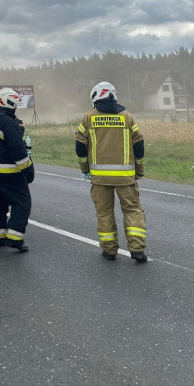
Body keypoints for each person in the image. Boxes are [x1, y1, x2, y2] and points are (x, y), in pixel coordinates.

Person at [76, 81, 147, 263]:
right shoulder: (127, 117)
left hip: (99, 179)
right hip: (126, 178)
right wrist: (139, 170)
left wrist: (86, 170)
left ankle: (109, 251)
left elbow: (80, 147)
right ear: (114, 96)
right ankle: (137, 250)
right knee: (132, 211)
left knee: (104, 213)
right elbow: (139, 146)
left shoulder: (88, 118)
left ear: (95, 98)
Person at [0, 87, 34, 251]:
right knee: (23, 203)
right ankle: (15, 237)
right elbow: (18, 152)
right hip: (8, 173)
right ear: (11, 104)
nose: (17, 107)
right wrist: (29, 171)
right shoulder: (9, 123)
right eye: (16, 104)